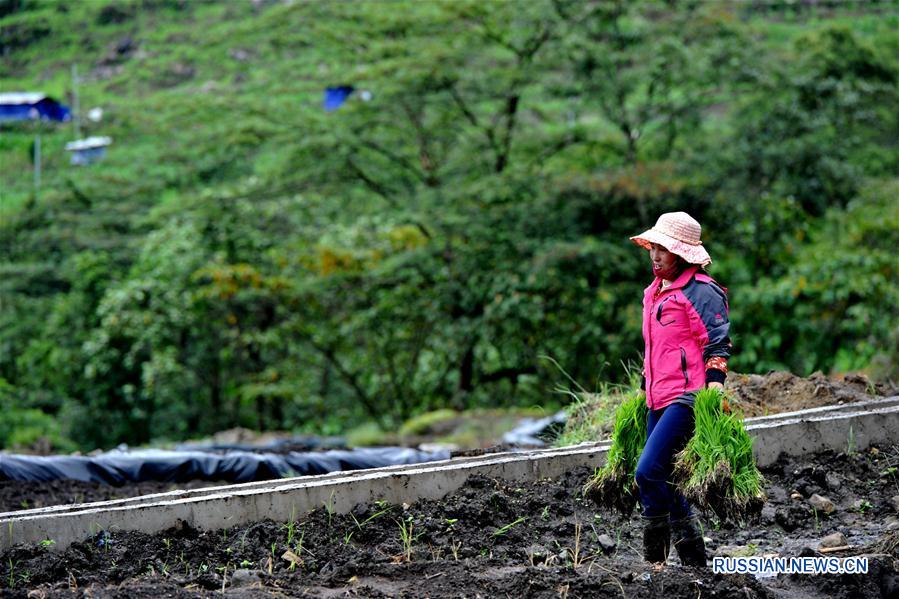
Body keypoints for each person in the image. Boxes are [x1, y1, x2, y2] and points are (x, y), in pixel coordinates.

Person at [628, 211, 732, 567]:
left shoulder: (701, 292)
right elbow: (655, 349)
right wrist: (644, 388)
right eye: (652, 248)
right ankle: (693, 557)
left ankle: (654, 561)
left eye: (663, 249)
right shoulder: (653, 292)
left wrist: (715, 389)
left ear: (682, 253)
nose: (655, 255)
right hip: (658, 396)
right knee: (668, 476)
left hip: (687, 397)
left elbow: (718, 344)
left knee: (647, 471)